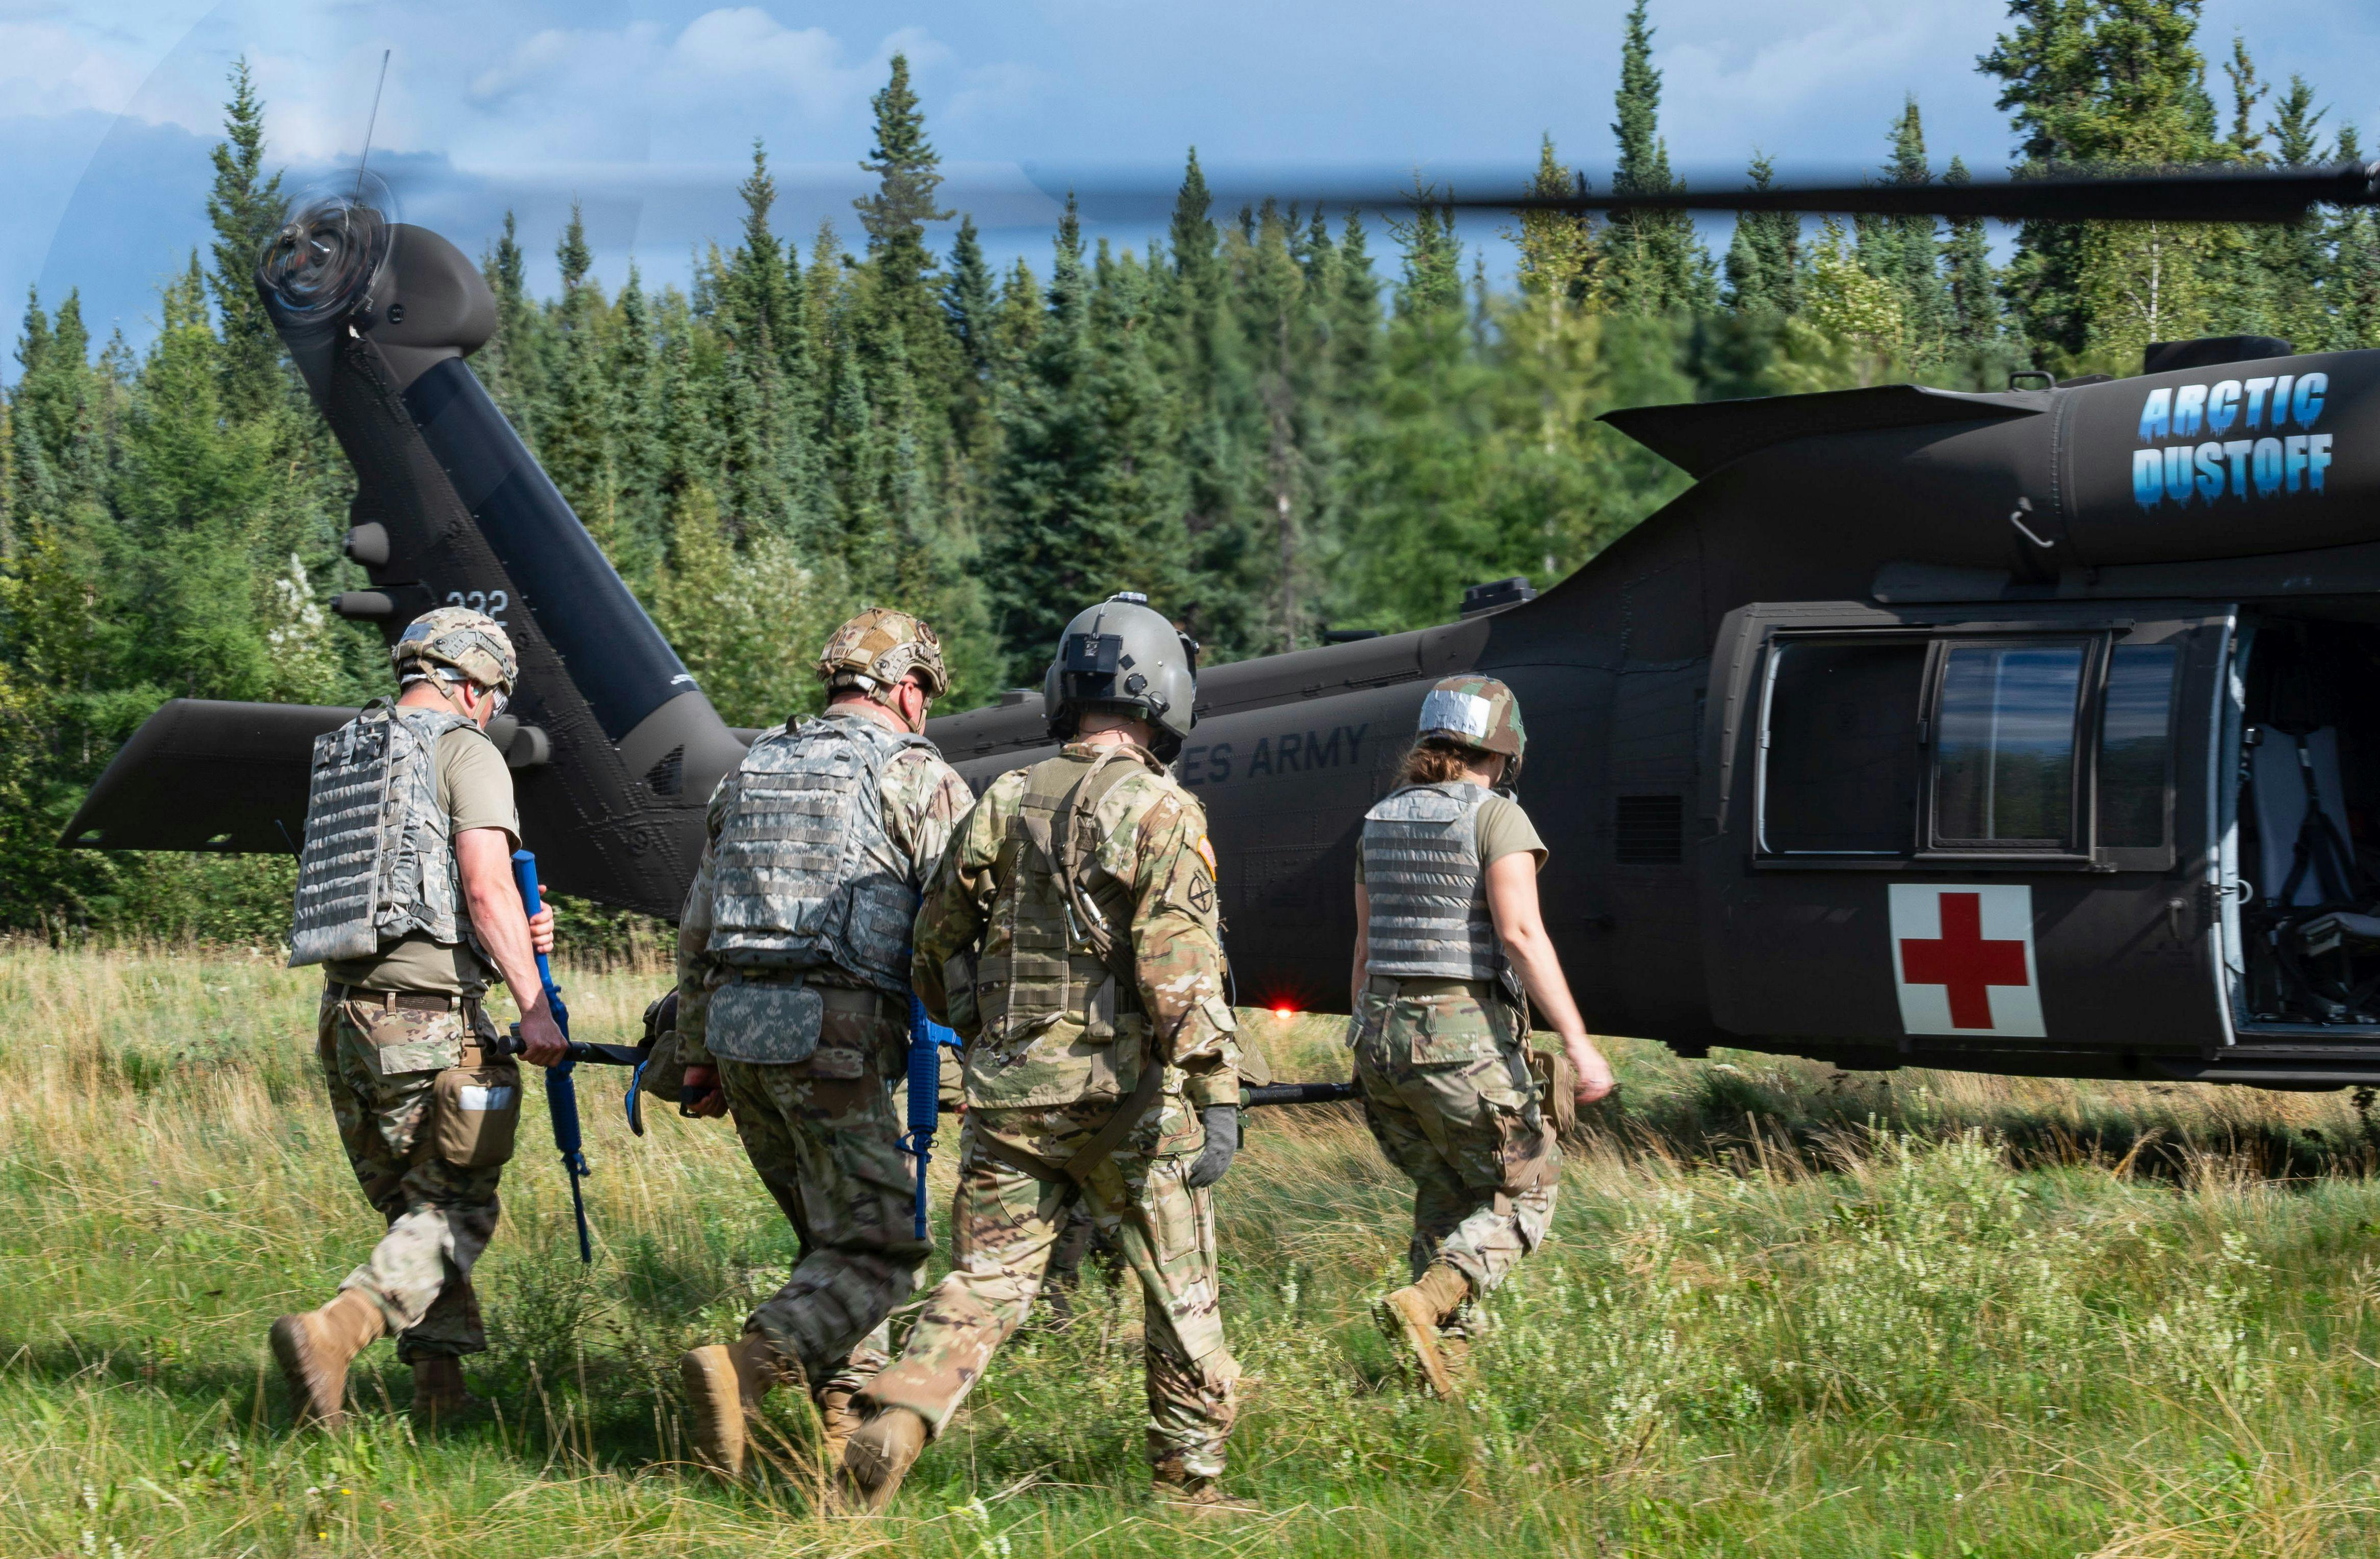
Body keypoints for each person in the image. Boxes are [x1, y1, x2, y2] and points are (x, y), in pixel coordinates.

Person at [836, 592, 1248, 1515]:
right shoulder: (1164, 810)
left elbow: (934, 941)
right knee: (1179, 1294)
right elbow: (1178, 971)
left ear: (1068, 691)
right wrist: (1218, 1091)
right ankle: (1189, 1486)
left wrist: (986, 1031)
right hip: (1132, 1104)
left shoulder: (1005, 797)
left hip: (1011, 1099)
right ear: (1163, 695)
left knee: (986, 1281)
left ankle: (900, 1416)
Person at [673, 609, 975, 1476]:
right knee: (880, 1249)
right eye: (927, 695)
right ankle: (748, 1365)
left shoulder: (752, 767)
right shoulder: (916, 774)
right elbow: (960, 920)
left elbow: (698, 924)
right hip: (834, 1042)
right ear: (908, 688)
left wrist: (698, 1051)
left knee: (828, 1247)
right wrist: (984, 1041)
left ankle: (834, 1434)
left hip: (739, 1036)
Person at [272, 606, 564, 1428]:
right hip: (426, 1021)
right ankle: (333, 1334)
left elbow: (404, 885)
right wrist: (534, 1006)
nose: (492, 713)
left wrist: (508, 929)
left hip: (346, 1017)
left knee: (418, 1207)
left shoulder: (351, 753)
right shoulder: (461, 749)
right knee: (461, 1206)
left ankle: (442, 1399)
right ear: (467, 682)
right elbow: (482, 884)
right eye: (494, 698)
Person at [1350, 675, 1616, 1398]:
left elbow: (1365, 951)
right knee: (1529, 1191)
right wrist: (1580, 1042)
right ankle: (1428, 1302)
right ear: (1503, 751)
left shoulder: (1380, 818)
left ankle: (1444, 1378)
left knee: (1448, 1197)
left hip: (1380, 1040)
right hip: (1459, 1041)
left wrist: (1362, 1040)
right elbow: (1520, 934)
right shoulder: (1496, 818)